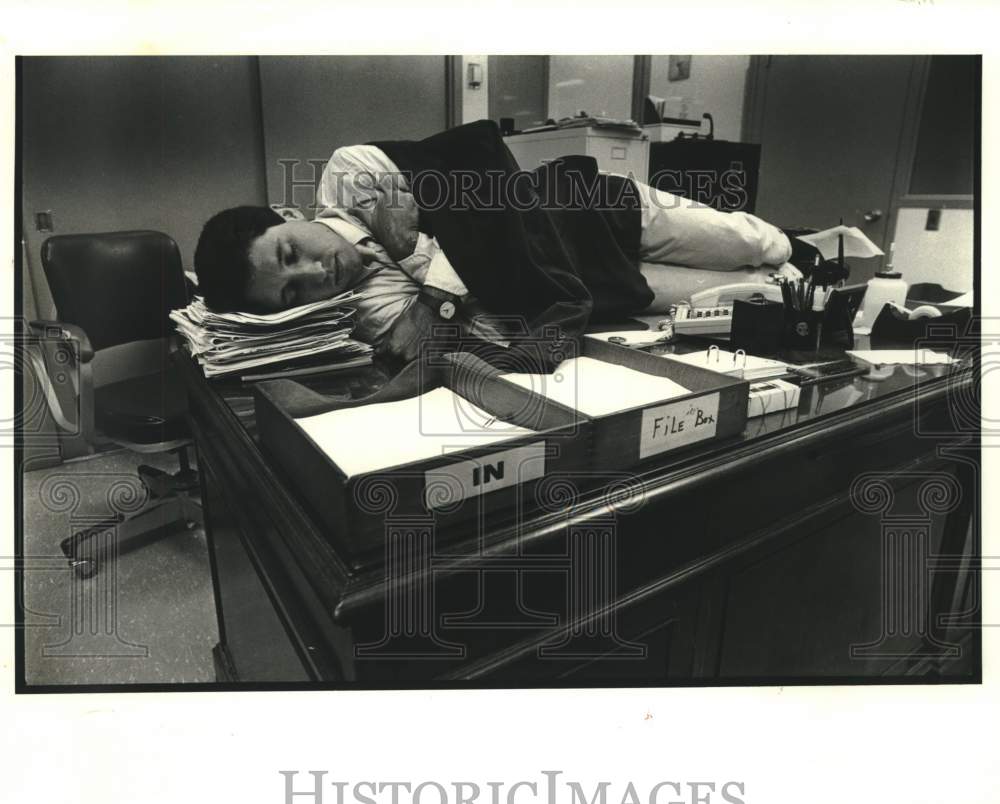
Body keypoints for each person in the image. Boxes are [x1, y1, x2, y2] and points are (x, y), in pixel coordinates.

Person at [195, 130, 801, 364]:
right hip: (597, 290)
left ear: (285, 214)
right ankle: (809, 279)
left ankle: (813, 249)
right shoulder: (365, 308)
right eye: (294, 292)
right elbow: (465, 331)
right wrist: (424, 255)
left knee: (756, 242)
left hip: (598, 212)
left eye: (289, 253)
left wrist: (436, 289)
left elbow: (479, 206)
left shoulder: (347, 171)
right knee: (754, 294)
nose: (313, 274)